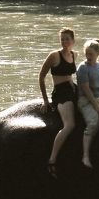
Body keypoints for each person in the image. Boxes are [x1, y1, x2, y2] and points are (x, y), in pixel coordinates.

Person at [39, 28, 78, 177]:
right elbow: (41, 76)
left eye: (67, 39)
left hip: (73, 89)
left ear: (73, 41)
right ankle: (52, 159)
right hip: (61, 93)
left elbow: (71, 76)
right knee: (70, 125)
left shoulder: (75, 54)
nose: (64, 42)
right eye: (62, 39)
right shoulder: (54, 55)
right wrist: (45, 100)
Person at [76, 39, 99, 169]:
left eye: (91, 54)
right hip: (86, 100)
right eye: (87, 53)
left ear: (98, 54)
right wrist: (97, 108)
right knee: (93, 122)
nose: (88, 57)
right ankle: (85, 156)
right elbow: (86, 90)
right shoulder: (82, 68)